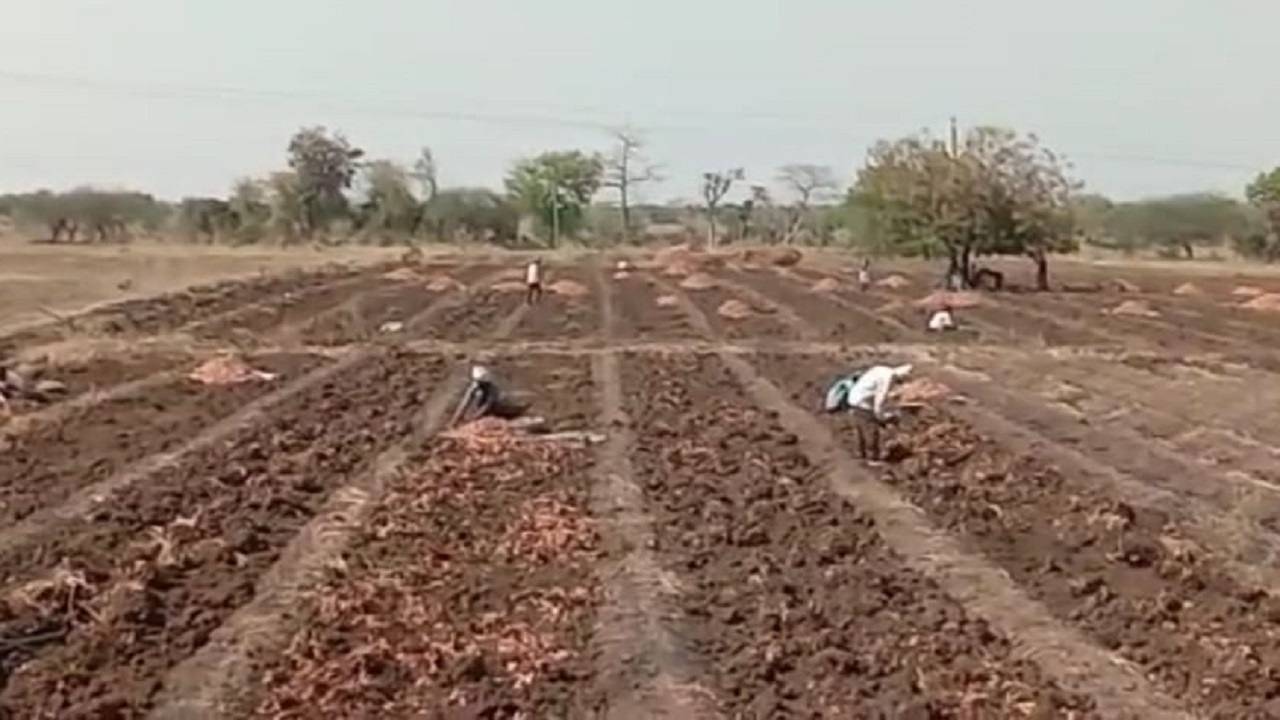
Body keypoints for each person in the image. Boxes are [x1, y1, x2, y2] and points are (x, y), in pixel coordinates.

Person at [830, 364, 912, 460]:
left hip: (854, 398)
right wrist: (882, 417)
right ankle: (872, 458)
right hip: (862, 403)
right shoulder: (888, 378)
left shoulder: (882, 369)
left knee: (859, 428)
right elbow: (880, 401)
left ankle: (860, 454)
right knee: (871, 430)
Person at [450, 365, 530, 426]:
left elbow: (487, 405)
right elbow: (464, 403)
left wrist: (473, 418)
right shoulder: (474, 387)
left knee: (502, 410)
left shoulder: (492, 390)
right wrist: (455, 420)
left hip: (496, 406)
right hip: (483, 406)